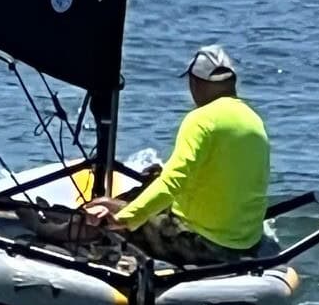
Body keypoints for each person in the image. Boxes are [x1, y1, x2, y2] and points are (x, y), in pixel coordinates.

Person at [84, 46, 271, 266]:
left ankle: (87, 247)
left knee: (102, 220)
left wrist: (125, 218)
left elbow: (175, 180)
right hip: (247, 242)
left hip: (205, 245)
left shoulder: (201, 119)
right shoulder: (254, 121)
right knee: (155, 177)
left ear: (196, 83)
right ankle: (115, 205)